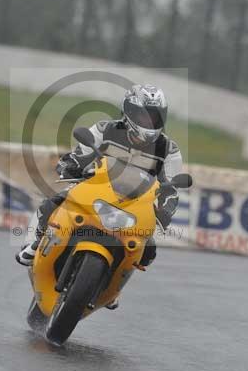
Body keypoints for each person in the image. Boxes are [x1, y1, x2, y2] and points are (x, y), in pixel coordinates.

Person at [16, 84, 183, 305]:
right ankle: (34, 242)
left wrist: (166, 208)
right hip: (93, 189)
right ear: (128, 112)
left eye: (154, 117)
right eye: (142, 116)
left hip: (134, 205)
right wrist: (70, 164)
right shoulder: (105, 129)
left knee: (148, 250)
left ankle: (113, 281)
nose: (148, 122)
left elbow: (171, 188)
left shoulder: (169, 150)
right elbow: (78, 154)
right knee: (52, 203)